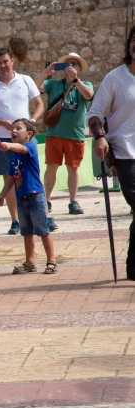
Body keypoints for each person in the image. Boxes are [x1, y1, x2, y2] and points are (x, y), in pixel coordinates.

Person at [0, 47, 45, 235]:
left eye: (5, 61)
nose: (2, 65)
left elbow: (39, 104)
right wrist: (3, 123)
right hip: (1, 138)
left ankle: (41, 216)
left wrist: (31, 122)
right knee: (9, 177)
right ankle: (16, 220)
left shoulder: (25, 80)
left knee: (31, 174)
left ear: (12, 60)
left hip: (25, 139)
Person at [88, 25, 135, 280]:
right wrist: (99, 136)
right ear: (129, 45)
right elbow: (95, 113)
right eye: (134, 40)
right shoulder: (115, 78)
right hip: (126, 151)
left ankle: (133, 266)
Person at [34, 53, 94, 217]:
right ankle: (46, 200)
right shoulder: (54, 84)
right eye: (68, 64)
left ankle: (73, 201)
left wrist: (75, 80)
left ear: (80, 68)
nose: (71, 66)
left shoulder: (85, 84)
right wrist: (46, 72)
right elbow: (34, 87)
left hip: (75, 135)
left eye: (75, 64)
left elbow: (89, 95)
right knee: (51, 167)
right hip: (55, 134)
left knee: (73, 169)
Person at [0, 119, 57, 274]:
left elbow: (21, 148)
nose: (13, 131)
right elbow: (11, 178)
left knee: (42, 230)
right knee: (26, 232)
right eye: (12, 129)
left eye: (18, 128)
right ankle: (29, 262)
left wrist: (8, 145)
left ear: (29, 134)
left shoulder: (30, 148)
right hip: (21, 198)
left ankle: (51, 261)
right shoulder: (14, 157)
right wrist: (2, 195)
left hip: (35, 196)